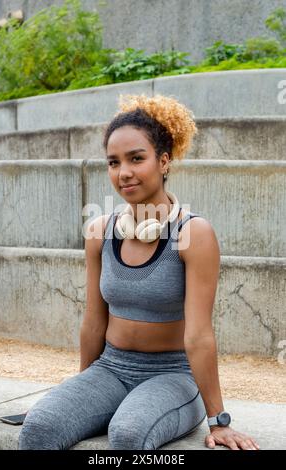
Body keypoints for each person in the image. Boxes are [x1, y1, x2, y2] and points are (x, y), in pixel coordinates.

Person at [18, 93, 260, 451]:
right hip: (111, 367)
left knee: (129, 434)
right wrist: (82, 393)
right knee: (39, 427)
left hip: (172, 375)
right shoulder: (99, 231)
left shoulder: (194, 234)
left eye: (136, 159)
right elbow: (94, 322)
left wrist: (218, 420)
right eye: (113, 162)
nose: (124, 172)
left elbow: (199, 335)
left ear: (164, 161)